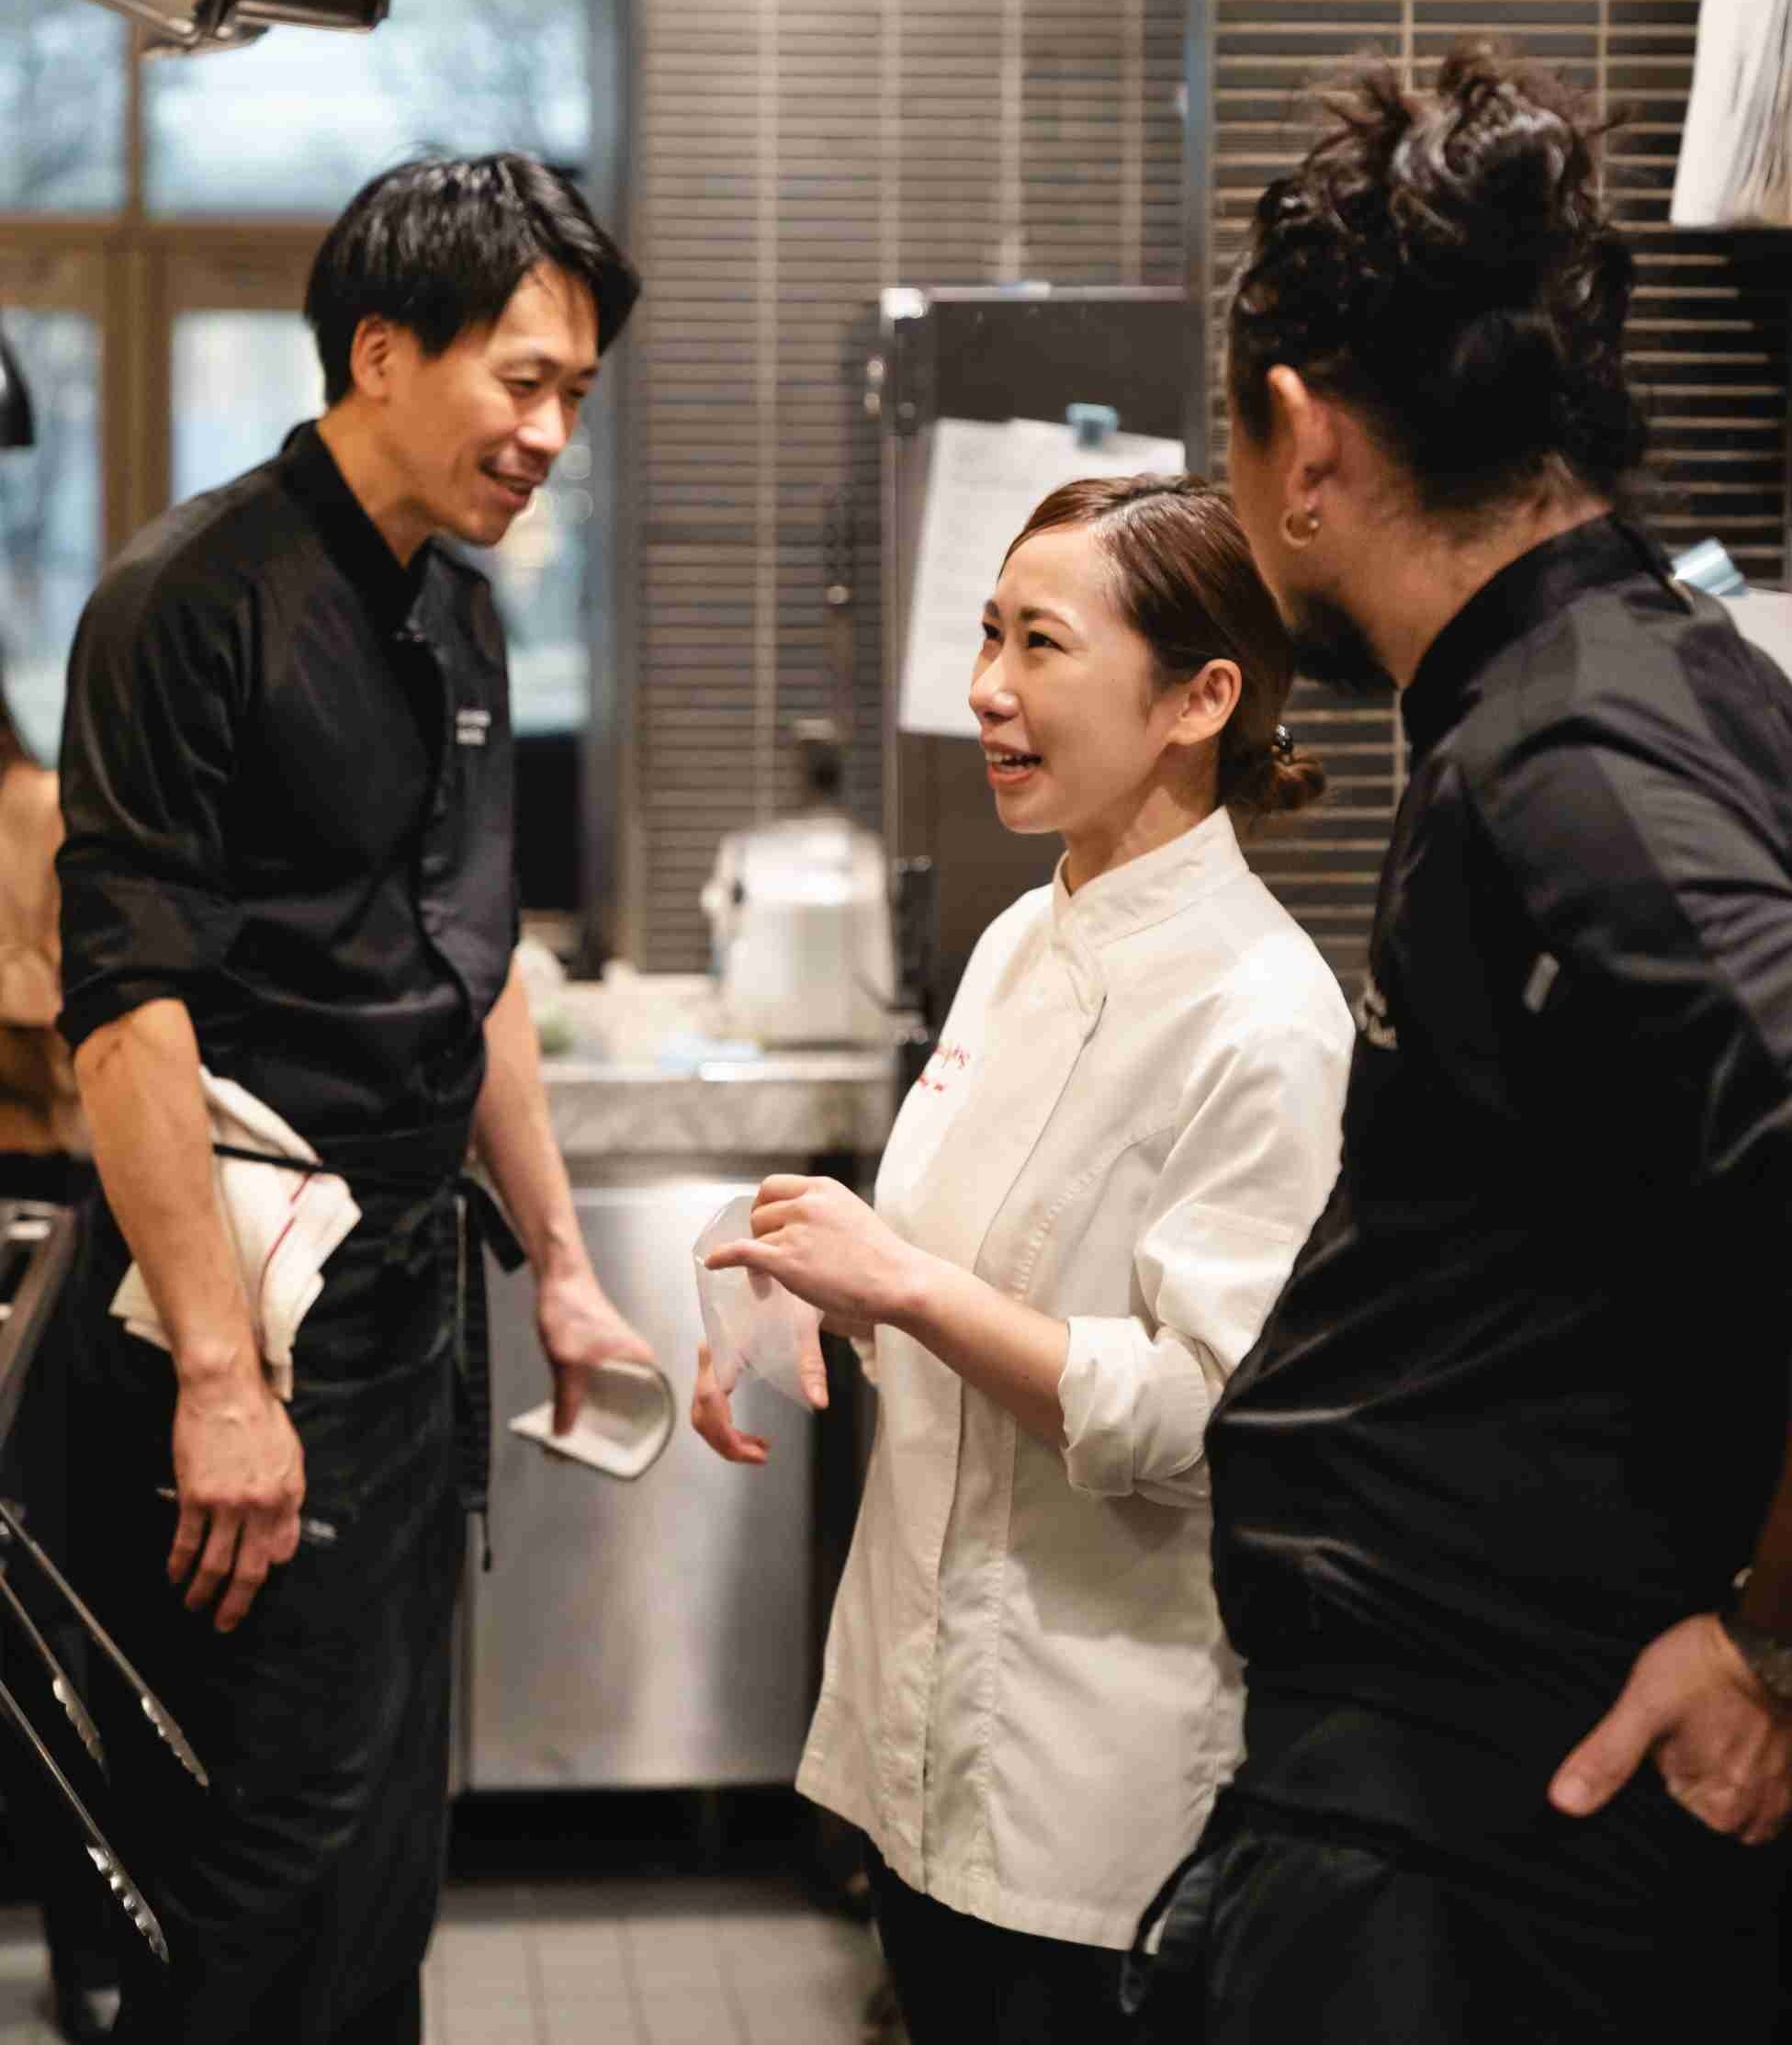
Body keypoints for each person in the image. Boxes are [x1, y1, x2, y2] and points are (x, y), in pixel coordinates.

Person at [1127, 47, 1792, 2041]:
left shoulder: (1569, 755)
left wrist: (1769, 1632)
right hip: (1449, 1797)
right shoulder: (1631, 680)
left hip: (1500, 1841)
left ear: (1303, 442)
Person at [53, 153, 656, 2044]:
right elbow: (125, 1013)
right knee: (255, 1858)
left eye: (576, 394)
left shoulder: (460, 617)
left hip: (412, 1317)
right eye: (525, 381)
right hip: (243, 1310)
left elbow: (475, 969)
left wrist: (562, 1262)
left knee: (388, 1843)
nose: (553, 434)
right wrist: (222, 1379)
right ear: (382, 351)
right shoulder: (185, 600)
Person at [693, 476, 1354, 2044]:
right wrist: (819, 1283)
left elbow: (1211, 1417)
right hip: (923, 1739)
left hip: (1094, 1787)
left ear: (1201, 699)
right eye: (988, 635)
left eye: (1040, 644)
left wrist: (906, 1287)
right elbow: (964, 1272)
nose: (987, 686)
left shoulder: (1265, 1017)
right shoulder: (1019, 938)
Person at [0, 673, 119, 2044]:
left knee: (35, 1591)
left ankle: (89, 1937)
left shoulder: (38, 811)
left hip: (34, 1211)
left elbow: (86, 1013)